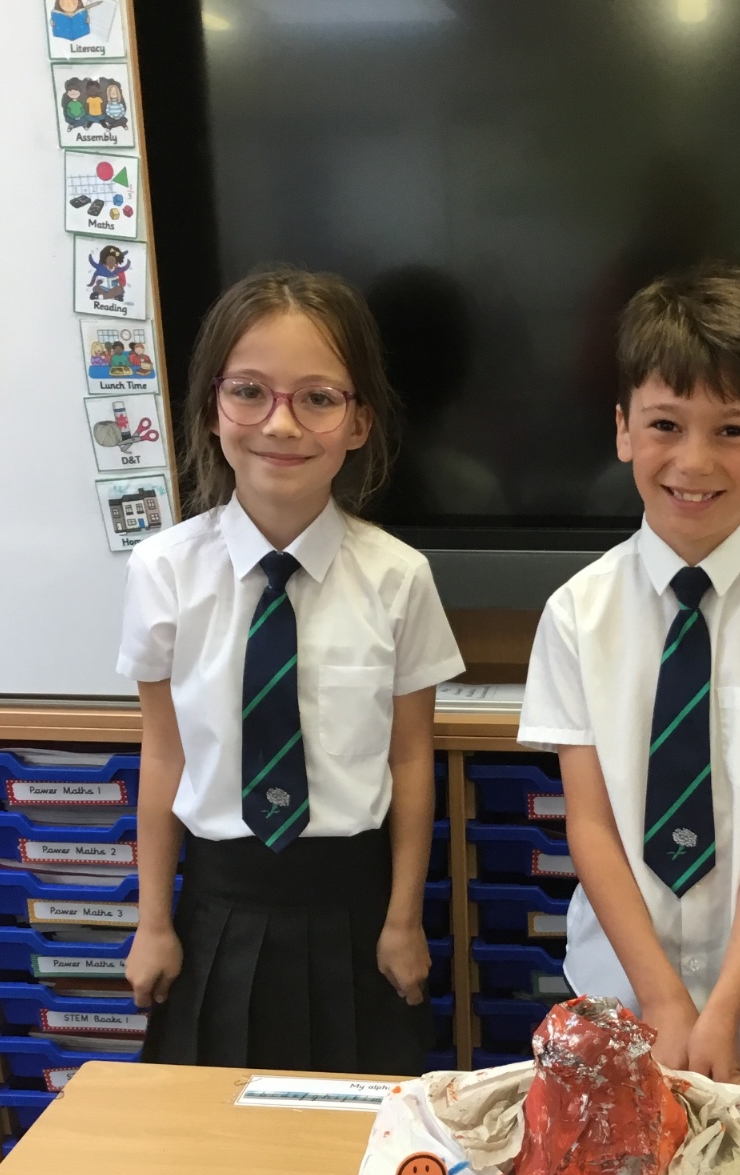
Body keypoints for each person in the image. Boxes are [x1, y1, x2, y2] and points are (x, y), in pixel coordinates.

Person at [518, 265, 740, 1092]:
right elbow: (590, 823)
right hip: (617, 981)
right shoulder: (576, 615)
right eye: (665, 424)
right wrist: (661, 997)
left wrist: (721, 1009)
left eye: (732, 430)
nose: (694, 460)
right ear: (623, 430)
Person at [118, 267, 464, 1073]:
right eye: (249, 392)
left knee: (359, 1132)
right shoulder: (163, 571)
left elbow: (410, 760)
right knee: (215, 1132)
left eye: (317, 398)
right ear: (212, 409)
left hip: (357, 912)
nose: (280, 423)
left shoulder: (398, 577)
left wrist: (404, 920)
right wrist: (153, 922)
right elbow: (163, 756)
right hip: (216, 907)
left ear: (359, 421)